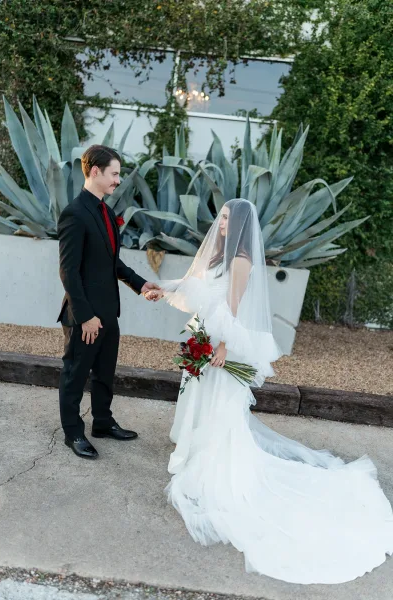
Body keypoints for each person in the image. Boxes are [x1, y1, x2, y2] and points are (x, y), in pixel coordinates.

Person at [148, 198, 393, 585]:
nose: (222, 223)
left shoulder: (241, 261)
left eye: (228, 218)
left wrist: (223, 346)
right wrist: (162, 288)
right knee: (200, 396)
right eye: (222, 217)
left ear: (242, 224)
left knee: (222, 404)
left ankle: (215, 455)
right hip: (206, 334)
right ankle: (195, 441)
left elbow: (235, 306)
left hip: (223, 342)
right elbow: (195, 286)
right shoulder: (216, 257)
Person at [57, 144, 160, 460]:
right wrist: (85, 315)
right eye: (114, 174)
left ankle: (102, 422)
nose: (118, 180)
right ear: (95, 171)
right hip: (84, 315)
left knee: (105, 373)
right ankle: (73, 432)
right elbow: (68, 271)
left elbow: (112, 262)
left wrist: (141, 285)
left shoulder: (105, 213)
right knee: (75, 375)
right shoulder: (75, 214)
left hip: (108, 312)